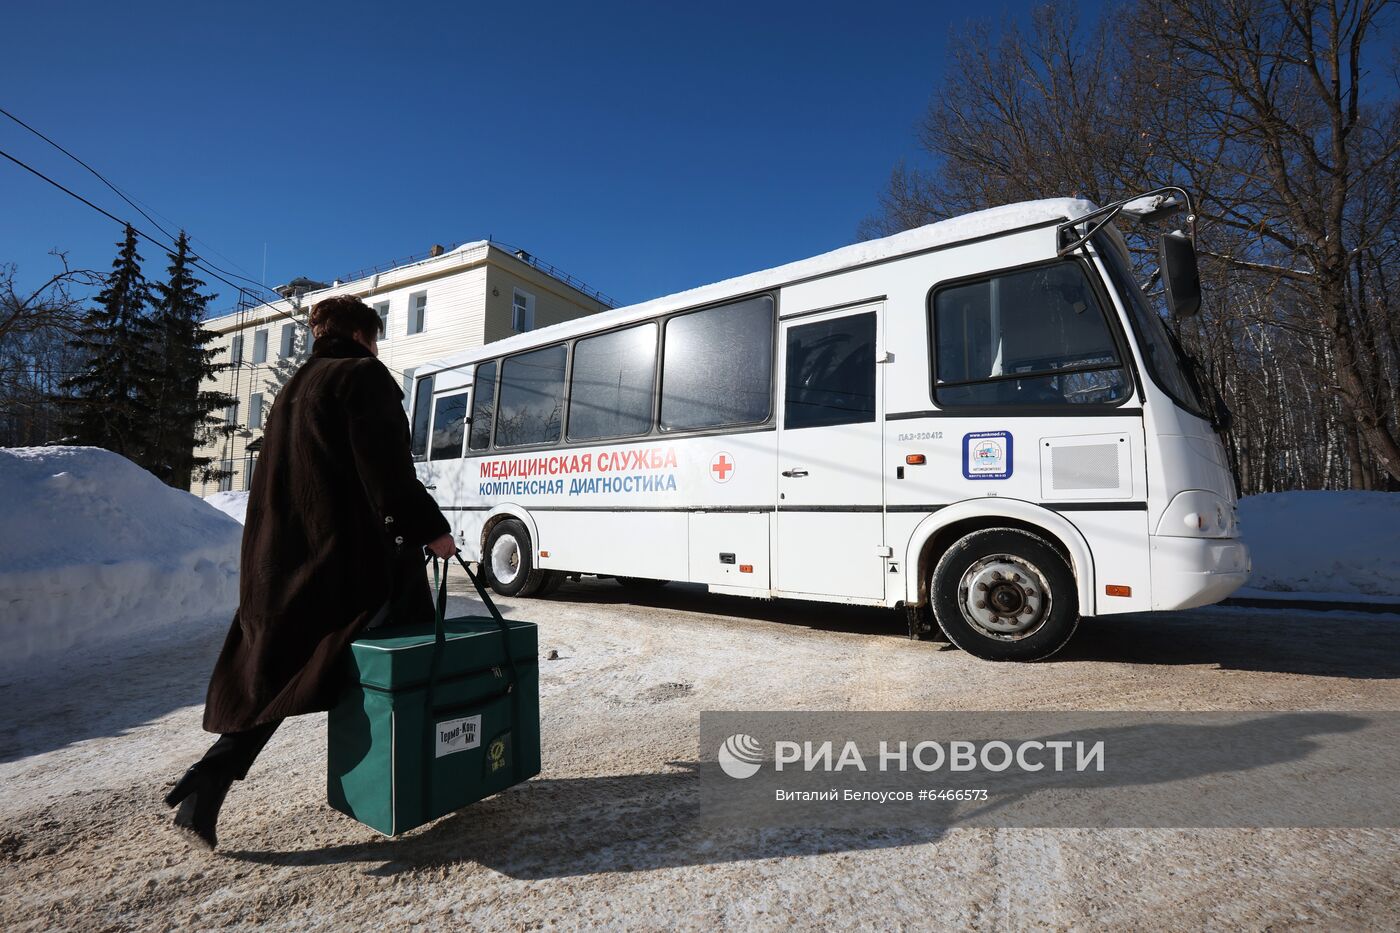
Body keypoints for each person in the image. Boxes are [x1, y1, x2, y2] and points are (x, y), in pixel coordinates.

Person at [165, 294, 457, 849]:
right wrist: (431, 530)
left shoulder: (294, 389)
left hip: (282, 560)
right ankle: (422, 777)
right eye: (376, 339)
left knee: (285, 672)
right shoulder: (362, 376)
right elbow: (387, 473)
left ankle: (210, 781)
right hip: (345, 562)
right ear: (363, 336)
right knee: (408, 654)